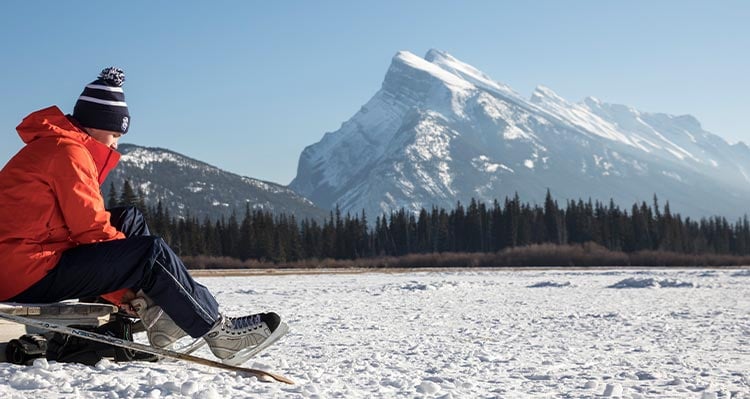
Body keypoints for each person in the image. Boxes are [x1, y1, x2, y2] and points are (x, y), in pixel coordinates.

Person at [0, 67, 287, 365]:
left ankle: (160, 317)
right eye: (114, 134)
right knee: (148, 253)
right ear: (95, 125)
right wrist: (128, 291)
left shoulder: (61, 146)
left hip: (27, 261)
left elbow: (83, 229)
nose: (115, 144)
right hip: (23, 272)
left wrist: (134, 288)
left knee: (128, 219)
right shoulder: (68, 152)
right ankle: (218, 331)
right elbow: (91, 231)